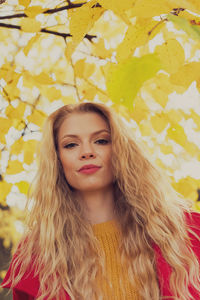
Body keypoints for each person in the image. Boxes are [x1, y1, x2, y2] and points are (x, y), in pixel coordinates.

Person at [1, 101, 200, 300]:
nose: (87, 152)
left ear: (120, 150)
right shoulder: (36, 254)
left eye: (101, 141)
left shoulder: (184, 231)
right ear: (57, 159)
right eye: (71, 145)